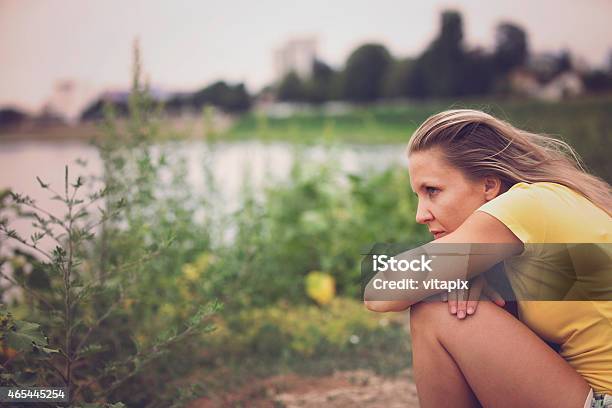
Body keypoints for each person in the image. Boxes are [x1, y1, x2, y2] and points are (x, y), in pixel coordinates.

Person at [363, 109, 612, 408]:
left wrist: (456, 275)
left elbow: (381, 292)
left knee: (435, 312)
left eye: (433, 191)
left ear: (489, 186)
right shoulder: (550, 205)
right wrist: (470, 273)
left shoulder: (525, 206)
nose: (421, 215)